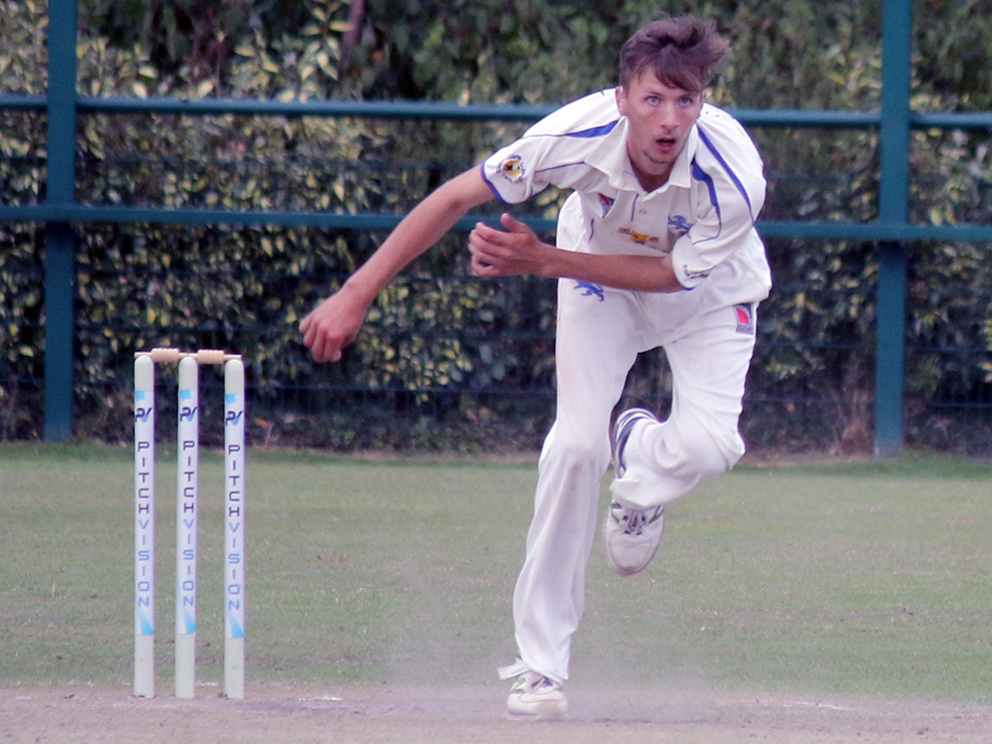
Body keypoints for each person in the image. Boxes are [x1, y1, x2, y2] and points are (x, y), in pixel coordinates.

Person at [300, 14, 771, 721]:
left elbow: (676, 275)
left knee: (710, 448)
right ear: (622, 98)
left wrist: (545, 260)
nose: (670, 119)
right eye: (653, 100)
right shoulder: (574, 135)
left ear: (702, 101)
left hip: (707, 293)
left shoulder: (733, 171)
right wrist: (356, 292)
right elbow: (456, 197)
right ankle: (542, 667)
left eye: (686, 100)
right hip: (598, 288)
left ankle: (638, 463)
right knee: (575, 447)